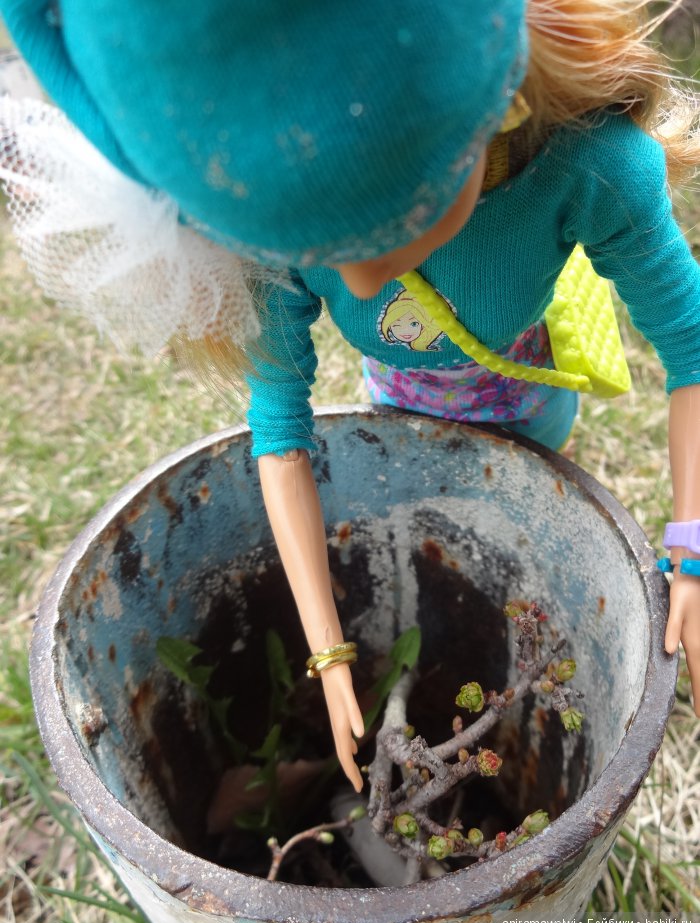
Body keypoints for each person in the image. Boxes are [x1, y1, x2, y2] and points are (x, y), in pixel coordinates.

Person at [1, 0, 699, 793]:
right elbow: (278, 418)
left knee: (522, 554)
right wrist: (330, 655)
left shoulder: (589, 167)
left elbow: (690, 343)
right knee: (422, 580)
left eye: (406, 217)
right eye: (313, 253)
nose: (361, 284)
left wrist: (692, 540)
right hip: (395, 412)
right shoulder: (280, 214)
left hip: (526, 413)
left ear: (497, 105)